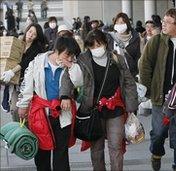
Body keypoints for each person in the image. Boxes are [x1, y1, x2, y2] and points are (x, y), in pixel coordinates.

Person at [60, 29, 138, 171]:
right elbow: (67, 77)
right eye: (92, 46)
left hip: (116, 109)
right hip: (93, 110)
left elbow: (129, 82)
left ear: (105, 43)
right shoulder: (82, 59)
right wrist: (65, 95)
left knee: (116, 146)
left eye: (99, 44)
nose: (96, 48)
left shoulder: (117, 59)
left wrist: (131, 107)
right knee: (97, 148)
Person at [139, 8, 176, 171]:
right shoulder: (156, 41)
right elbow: (144, 65)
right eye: (163, 21)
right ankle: (156, 152)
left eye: (168, 22)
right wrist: (148, 90)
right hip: (161, 96)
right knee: (159, 133)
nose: (163, 25)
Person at [16, 36, 81, 171]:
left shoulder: (71, 65)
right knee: (42, 151)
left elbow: (79, 82)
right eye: (67, 54)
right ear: (57, 50)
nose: (70, 58)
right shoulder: (38, 62)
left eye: (72, 55)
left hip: (63, 113)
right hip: (41, 113)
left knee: (61, 152)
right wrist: (23, 105)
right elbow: (27, 84)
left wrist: (70, 65)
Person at [1, 23, 46, 121]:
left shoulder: (36, 48)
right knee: (14, 108)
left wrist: (12, 72)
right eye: (30, 32)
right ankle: (18, 130)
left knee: (25, 108)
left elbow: (25, 62)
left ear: (36, 37)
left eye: (34, 34)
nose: (30, 35)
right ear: (27, 30)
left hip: (27, 83)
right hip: (14, 83)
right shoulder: (18, 43)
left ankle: (26, 131)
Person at [108, 12, 141, 78]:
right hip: (114, 75)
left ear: (127, 24)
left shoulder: (135, 38)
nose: (119, 25)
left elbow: (138, 57)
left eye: (122, 22)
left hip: (131, 75)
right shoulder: (110, 38)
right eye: (117, 22)